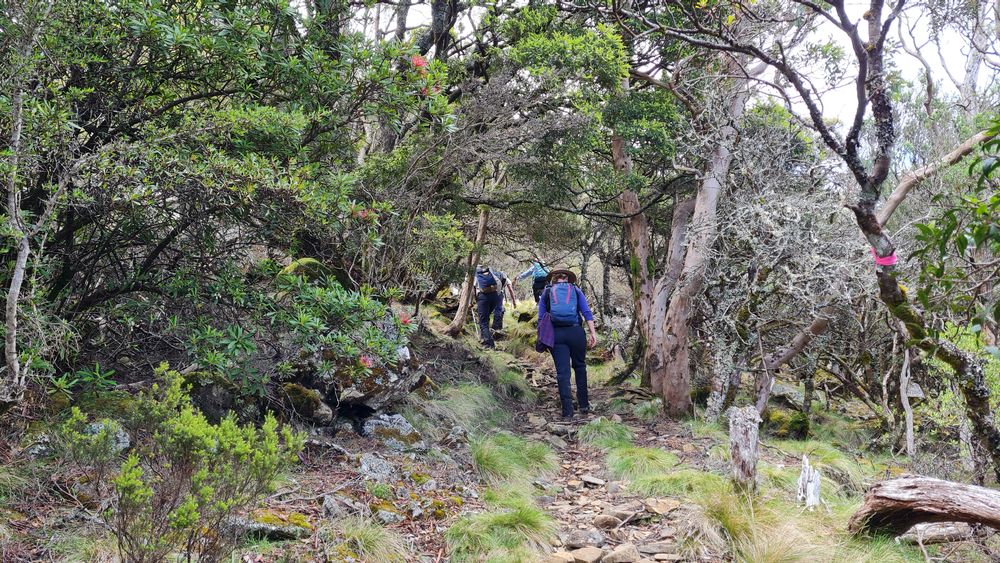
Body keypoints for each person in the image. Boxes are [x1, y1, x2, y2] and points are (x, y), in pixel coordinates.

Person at [538, 269, 598, 419]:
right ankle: (584, 405)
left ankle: (567, 411)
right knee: (580, 366)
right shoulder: (576, 290)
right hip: (576, 332)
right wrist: (593, 333)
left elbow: (541, 318)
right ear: (568, 279)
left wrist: (542, 338)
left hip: (557, 335)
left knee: (563, 373)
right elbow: (586, 312)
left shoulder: (547, 292)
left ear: (553, 280)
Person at [474, 265, 503, 349]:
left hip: (483, 297)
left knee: (483, 321)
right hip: (494, 296)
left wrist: (473, 300)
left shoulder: (476, 276)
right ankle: (485, 338)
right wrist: (497, 295)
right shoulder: (491, 274)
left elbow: (473, 289)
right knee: (486, 319)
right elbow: (499, 283)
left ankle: (488, 344)